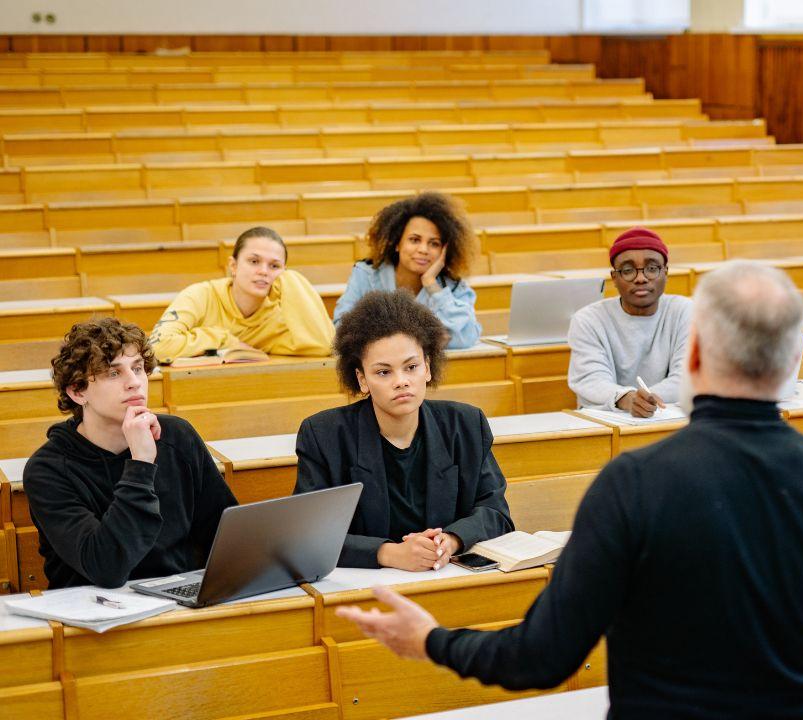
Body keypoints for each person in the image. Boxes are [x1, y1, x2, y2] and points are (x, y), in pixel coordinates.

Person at [336, 261, 803, 718]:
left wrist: (431, 640)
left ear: (692, 356)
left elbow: (541, 657)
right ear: (792, 359)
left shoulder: (634, 483)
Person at [294, 290, 512, 570]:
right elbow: (309, 535)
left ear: (428, 368)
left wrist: (451, 540)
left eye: (411, 367)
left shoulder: (466, 425)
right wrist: (388, 554)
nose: (402, 381)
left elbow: (496, 512)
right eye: (384, 372)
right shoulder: (323, 435)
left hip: (444, 576)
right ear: (361, 379)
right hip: (365, 590)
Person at [24, 318, 237, 589]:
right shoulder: (47, 470)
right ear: (78, 392)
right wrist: (141, 465)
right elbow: (107, 567)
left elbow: (225, 533)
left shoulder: (177, 437)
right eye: (114, 373)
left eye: (138, 368)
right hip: (95, 614)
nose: (134, 382)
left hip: (178, 602)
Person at [148, 226, 334, 364]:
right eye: (254, 261)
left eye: (275, 266)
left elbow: (324, 347)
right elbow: (158, 347)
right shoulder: (200, 295)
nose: (263, 271)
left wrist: (291, 280)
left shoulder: (279, 318)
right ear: (234, 266)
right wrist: (226, 340)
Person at [567, 227, 692, 417]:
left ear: (665, 273)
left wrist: (645, 400)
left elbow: (687, 377)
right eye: (628, 270)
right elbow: (590, 379)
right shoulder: (588, 320)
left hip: (668, 418)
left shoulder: (686, 312)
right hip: (606, 421)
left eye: (652, 269)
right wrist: (627, 398)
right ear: (614, 278)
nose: (641, 278)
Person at [333, 192, 482, 349]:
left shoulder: (453, 287)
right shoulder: (366, 275)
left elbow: (467, 337)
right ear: (397, 243)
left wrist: (432, 285)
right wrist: (428, 336)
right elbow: (341, 327)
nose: (423, 249)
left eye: (434, 243)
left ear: (445, 250)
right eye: (414, 240)